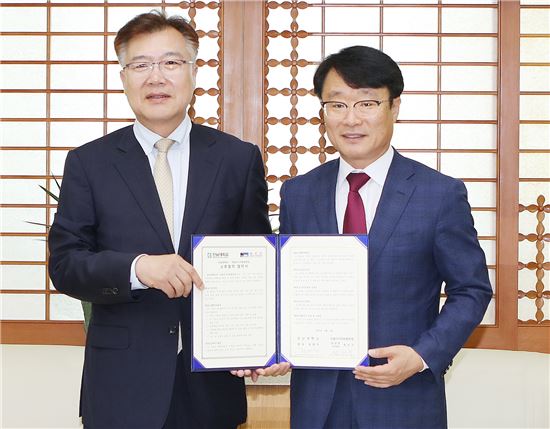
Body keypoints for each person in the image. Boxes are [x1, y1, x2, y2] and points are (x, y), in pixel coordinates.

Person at [48, 11, 273, 429]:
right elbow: (65, 266)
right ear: (123, 77)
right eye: (140, 65)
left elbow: (258, 259)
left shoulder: (237, 159)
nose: (156, 77)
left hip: (212, 382)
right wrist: (138, 269)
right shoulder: (89, 163)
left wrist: (256, 342)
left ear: (193, 72)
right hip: (122, 385)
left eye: (170, 62)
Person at [278, 46, 493, 428]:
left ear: (394, 107)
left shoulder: (439, 194)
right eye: (337, 104)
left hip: (402, 399)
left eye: (367, 103)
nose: (351, 119)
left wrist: (422, 355)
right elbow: (286, 286)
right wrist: (270, 344)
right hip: (317, 402)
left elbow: (471, 290)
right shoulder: (299, 193)